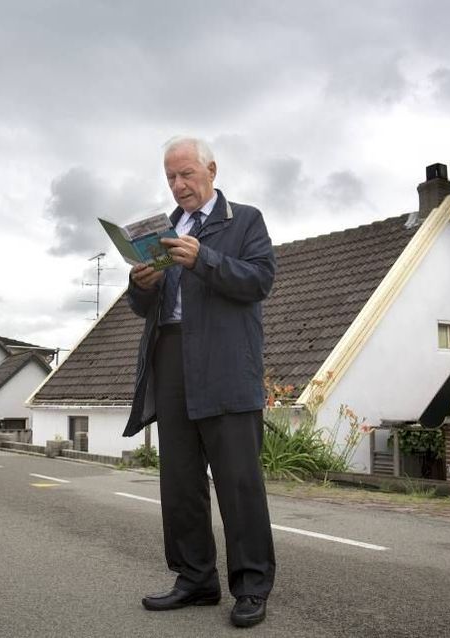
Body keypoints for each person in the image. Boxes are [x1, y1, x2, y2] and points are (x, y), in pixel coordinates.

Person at [124, 136, 276, 628]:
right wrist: (140, 285)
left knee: (238, 483)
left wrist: (203, 259)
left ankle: (251, 587)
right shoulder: (165, 229)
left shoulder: (244, 220)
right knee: (181, 482)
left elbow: (259, 281)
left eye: (186, 174)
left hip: (226, 365)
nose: (178, 185)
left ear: (211, 169)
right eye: (170, 177)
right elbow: (144, 308)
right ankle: (195, 580)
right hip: (172, 359)